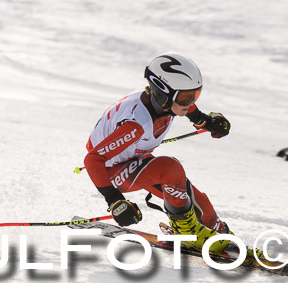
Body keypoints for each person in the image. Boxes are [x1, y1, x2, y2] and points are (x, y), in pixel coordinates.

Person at [83, 52, 233, 254]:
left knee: (206, 214)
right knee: (169, 168)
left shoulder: (165, 104)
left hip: (134, 159)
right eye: (186, 97)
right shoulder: (136, 124)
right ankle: (184, 230)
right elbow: (93, 159)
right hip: (110, 171)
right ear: (163, 92)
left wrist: (205, 121)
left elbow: (187, 108)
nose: (189, 103)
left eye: (195, 95)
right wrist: (115, 200)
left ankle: (215, 232)